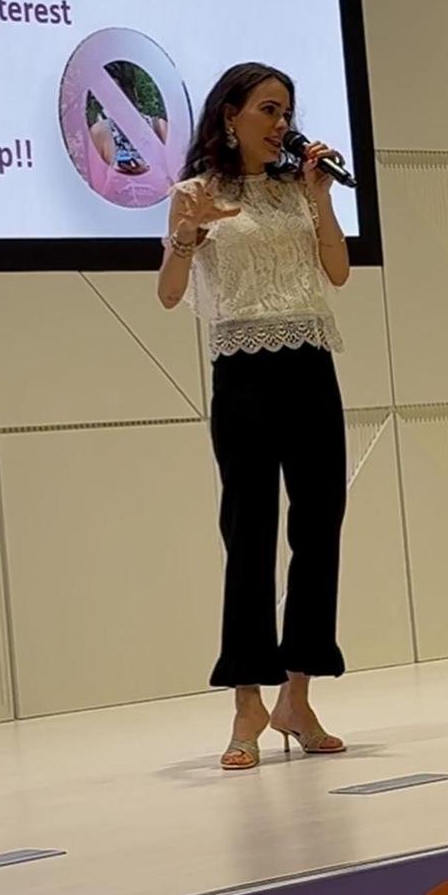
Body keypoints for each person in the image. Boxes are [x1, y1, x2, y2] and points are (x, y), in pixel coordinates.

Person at [157, 62, 352, 771]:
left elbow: (337, 272)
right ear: (230, 115)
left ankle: (297, 695)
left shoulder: (298, 188)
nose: (281, 124)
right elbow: (170, 294)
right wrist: (187, 236)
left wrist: (320, 198)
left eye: (287, 112)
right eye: (268, 110)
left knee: (319, 525)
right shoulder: (194, 194)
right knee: (249, 531)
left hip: (311, 363)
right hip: (243, 370)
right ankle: (247, 699)